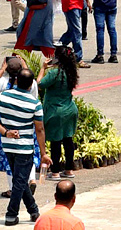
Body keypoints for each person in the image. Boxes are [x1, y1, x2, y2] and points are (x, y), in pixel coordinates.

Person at [0, 68, 51, 226]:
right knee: (20, 181)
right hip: (25, 148)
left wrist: (5, 131)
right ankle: (11, 214)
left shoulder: (2, 96)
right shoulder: (34, 103)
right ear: (31, 86)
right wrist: (43, 153)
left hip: (8, 145)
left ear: (16, 81)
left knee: (19, 180)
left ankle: (33, 210)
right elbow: (40, 129)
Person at [38, 47, 79, 179]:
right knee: (68, 140)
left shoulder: (54, 73)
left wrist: (43, 68)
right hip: (70, 109)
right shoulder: (71, 71)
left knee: (55, 142)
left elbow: (40, 84)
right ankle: (69, 169)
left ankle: (55, 171)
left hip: (56, 111)